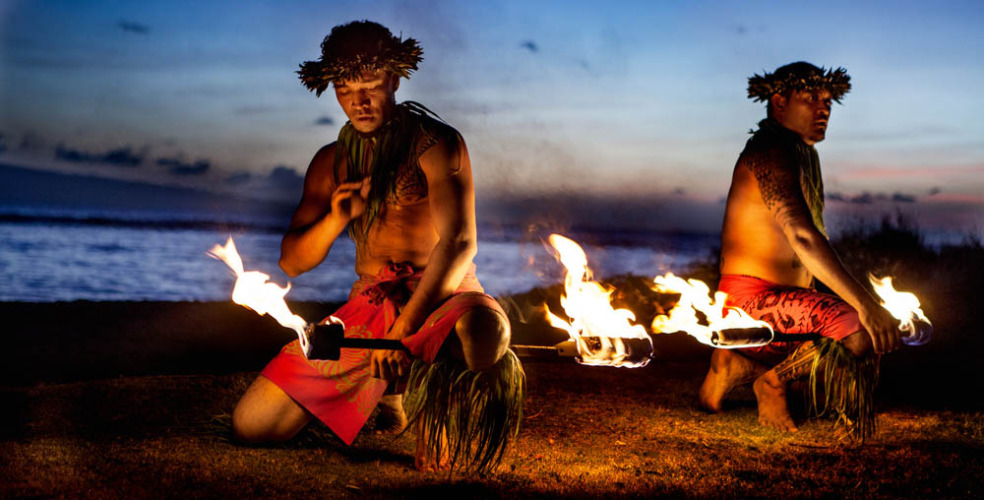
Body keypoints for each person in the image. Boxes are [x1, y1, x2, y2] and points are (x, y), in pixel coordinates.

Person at [231, 20, 524, 472]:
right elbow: (292, 261)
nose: (359, 101)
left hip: (445, 298)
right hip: (370, 304)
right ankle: (388, 396)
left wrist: (404, 333)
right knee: (253, 426)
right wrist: (336, 218)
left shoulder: (437, 144)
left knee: (486, 337)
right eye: (345, 88)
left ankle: (424, 400)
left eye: (370, 85)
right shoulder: (331, 161)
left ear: (395, 79)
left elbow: (460, 243)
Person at [698, 62, 899, 440]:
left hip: (790, 301)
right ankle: (771, 383)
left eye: (827, 101)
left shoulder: (802, 155)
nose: (823, 109)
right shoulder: (770, 149)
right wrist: (866, 306)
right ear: (778, 101)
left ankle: (736, 364)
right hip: (751, 300)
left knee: (848, 338)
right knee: (861, 330)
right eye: (811, 98)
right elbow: (802, 236)